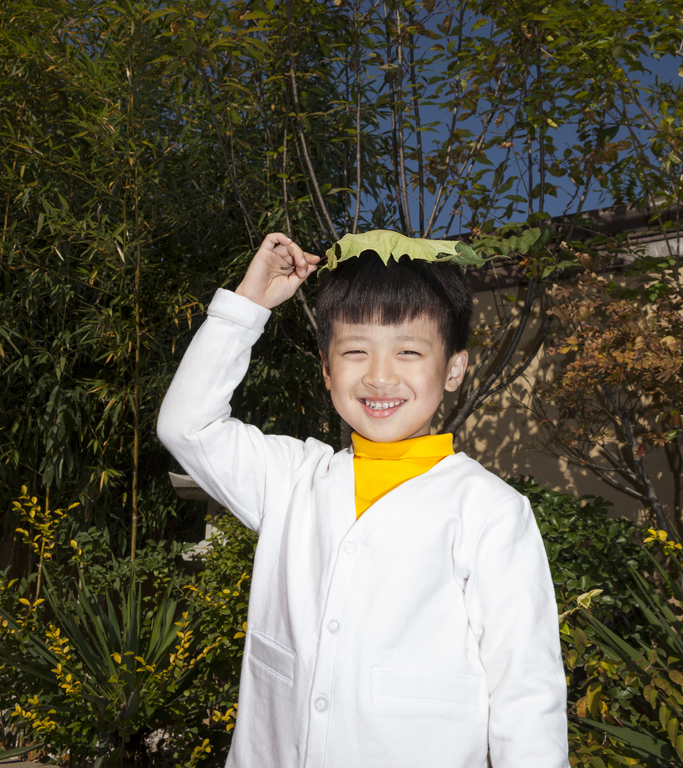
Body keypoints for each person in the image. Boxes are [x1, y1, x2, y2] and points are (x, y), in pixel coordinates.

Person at [157, 230, 569, 768]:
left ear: (453, 368)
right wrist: (246, 307)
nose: (379, 376)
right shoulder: (292, 480)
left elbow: (525, 688)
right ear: (327, 369)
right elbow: (186, 426)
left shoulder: (489, 510)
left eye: (408, 351)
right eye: (355, 351)